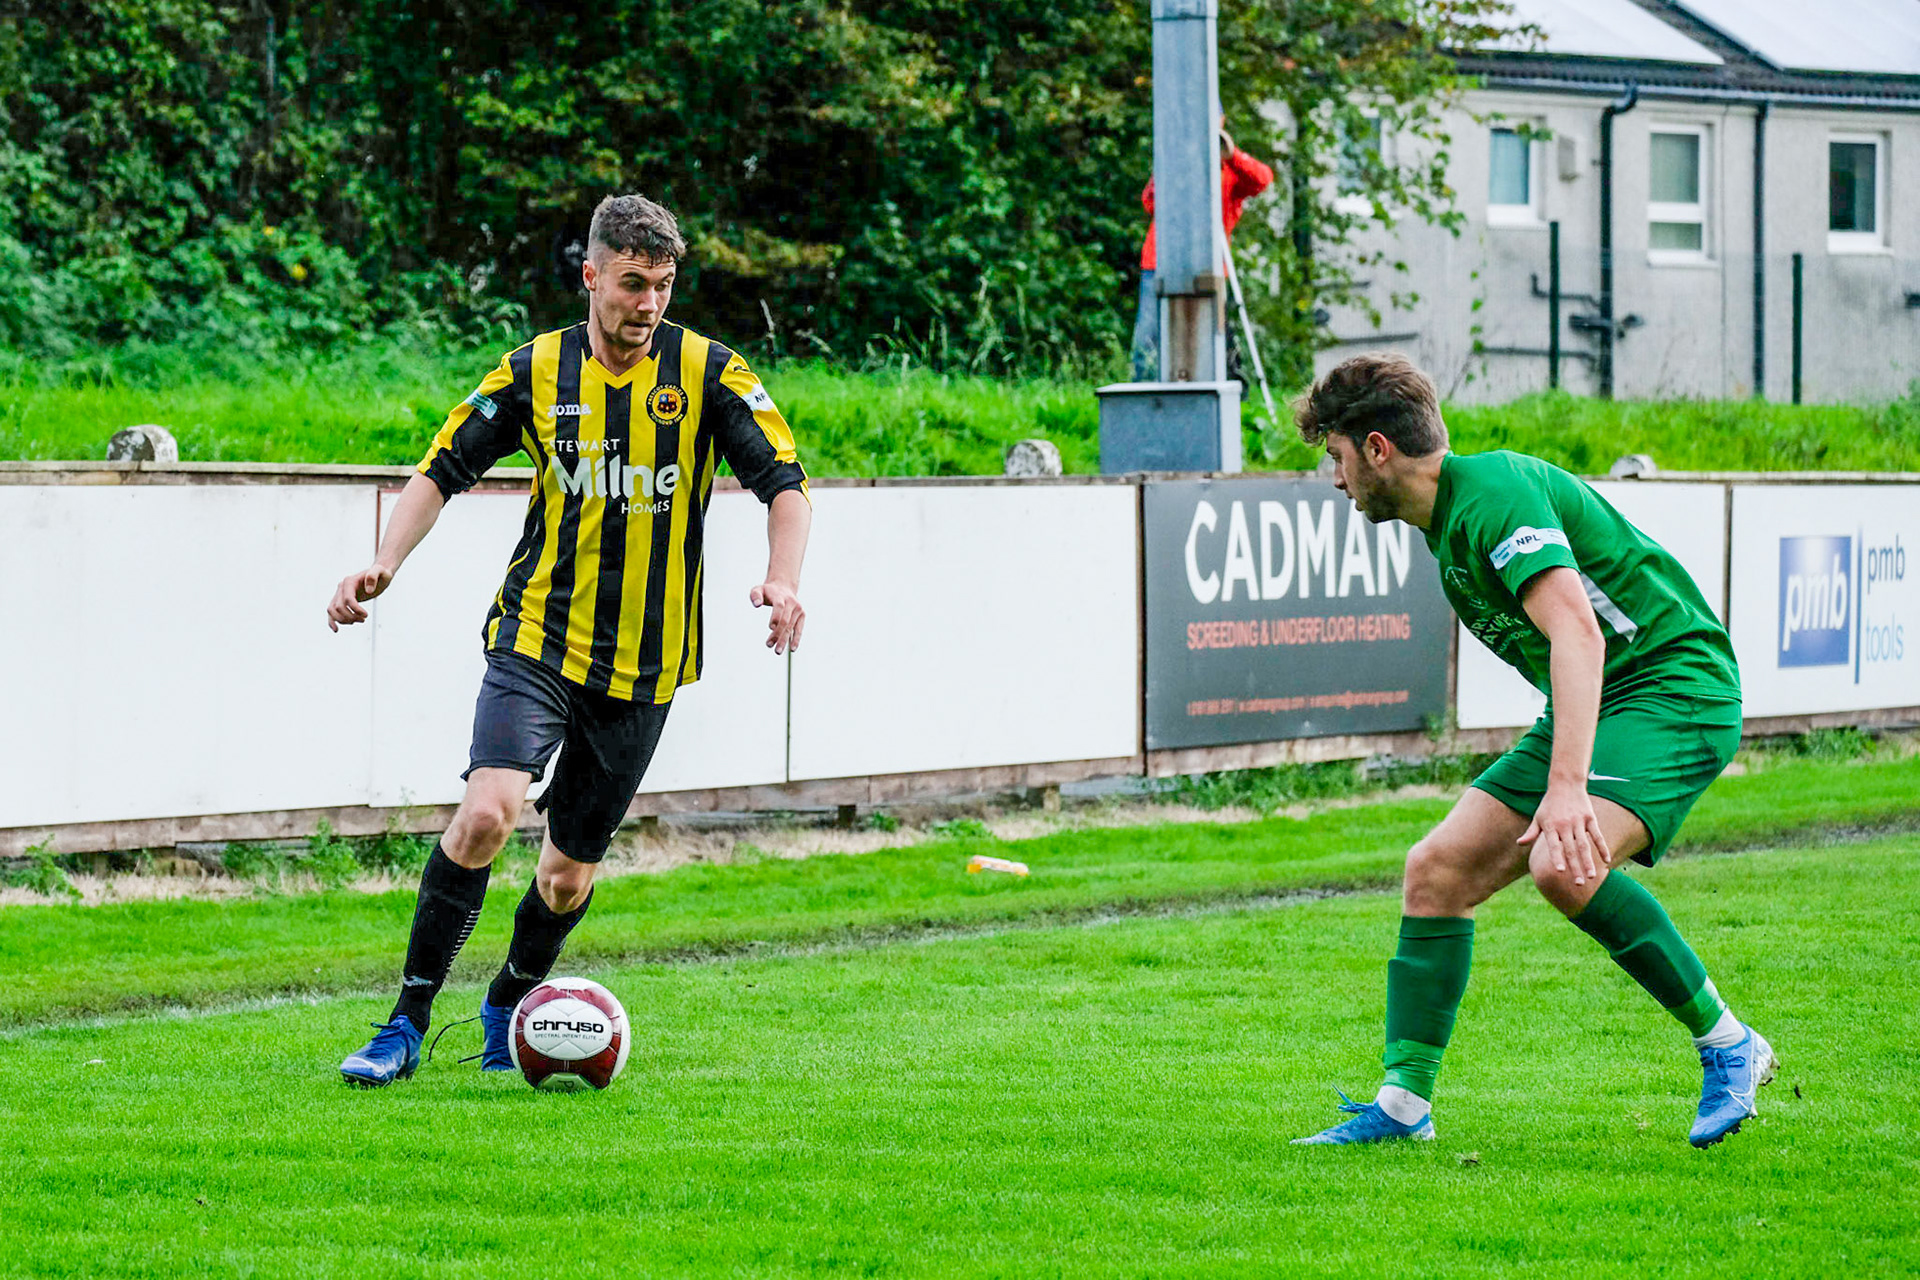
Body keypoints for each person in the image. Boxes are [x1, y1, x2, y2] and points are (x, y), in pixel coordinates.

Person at [327, 193, 811, 1086]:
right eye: (632, 283)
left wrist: (784, 578)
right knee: (486, 814)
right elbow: (442, 467)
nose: (649, 303)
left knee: (563, 880)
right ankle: (404, 1022)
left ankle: (509, 1002)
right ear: (591, 276)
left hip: (645, 666)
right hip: (538, 638)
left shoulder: (709, 372)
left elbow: (785, 481)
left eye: (662, 285)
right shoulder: (534, 370)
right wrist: (384, 561)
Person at [1289, 353, 1772, 1148]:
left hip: (1674, 689)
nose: (1335, 479)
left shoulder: (1494, 494)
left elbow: (1579, 634)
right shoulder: (1450, 521)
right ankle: (1403, 1110)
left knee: (1563, 862)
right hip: (1609, 700)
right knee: (1436, 871)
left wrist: (1568, 786)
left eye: (1336, 457)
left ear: (1377, 449)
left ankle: (1730, 1045)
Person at [1132, 122, 1273, 382]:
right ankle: (1143, 391)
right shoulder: (1175, 164)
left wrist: (1232, 155)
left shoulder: (1229, 173)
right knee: (1147, 337)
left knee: (1207, 338)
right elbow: (1150, 203)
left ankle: (1206, 390)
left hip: (1208, 266)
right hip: (1159, 261)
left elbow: (1262, 179)